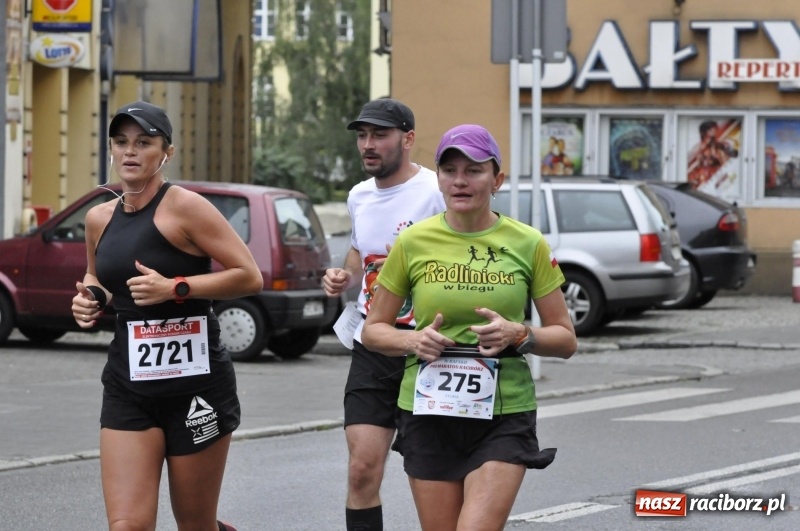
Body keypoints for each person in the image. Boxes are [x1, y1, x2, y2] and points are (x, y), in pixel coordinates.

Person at [361, 124, 577, 531]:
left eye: (474, 170)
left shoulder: (528, 243)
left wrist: (521, 335)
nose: (460, 181)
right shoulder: (413, 242)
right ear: (438, 178)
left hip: (503, 413)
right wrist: (413, 339)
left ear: (497, 180)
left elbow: (565, 339)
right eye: (450, 170)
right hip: (429, 410)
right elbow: (374, 330)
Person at [71, 101, 263, 531]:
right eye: (121, 143)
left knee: (194, 524)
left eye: (144, 142)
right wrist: (91, 298)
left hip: (196, 388)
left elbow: (249, 276)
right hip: (129, 384)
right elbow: (98, 276)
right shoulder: (98, 218)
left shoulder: (185, 207)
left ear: (167, 153)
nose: (130, 152)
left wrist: (176, 287)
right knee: (127, 526)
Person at [322, 98, 446, 531]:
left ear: (408, 139)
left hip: (430, 350)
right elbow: (360, 253)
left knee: (431, 475)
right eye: (362, 136)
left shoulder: (436, 191)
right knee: (361, 471)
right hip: (373, 346)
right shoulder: (359, 194)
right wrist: (343, 276)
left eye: (379, 135)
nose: (367, 145)